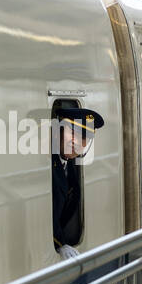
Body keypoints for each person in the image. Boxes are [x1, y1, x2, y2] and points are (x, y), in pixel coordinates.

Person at [51, 106, 104, 259]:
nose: (76, 141)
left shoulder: (70, 164)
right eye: (72, 132)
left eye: (83, 137)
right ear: (57, 131)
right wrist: (60, 243)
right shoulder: (49, 164)